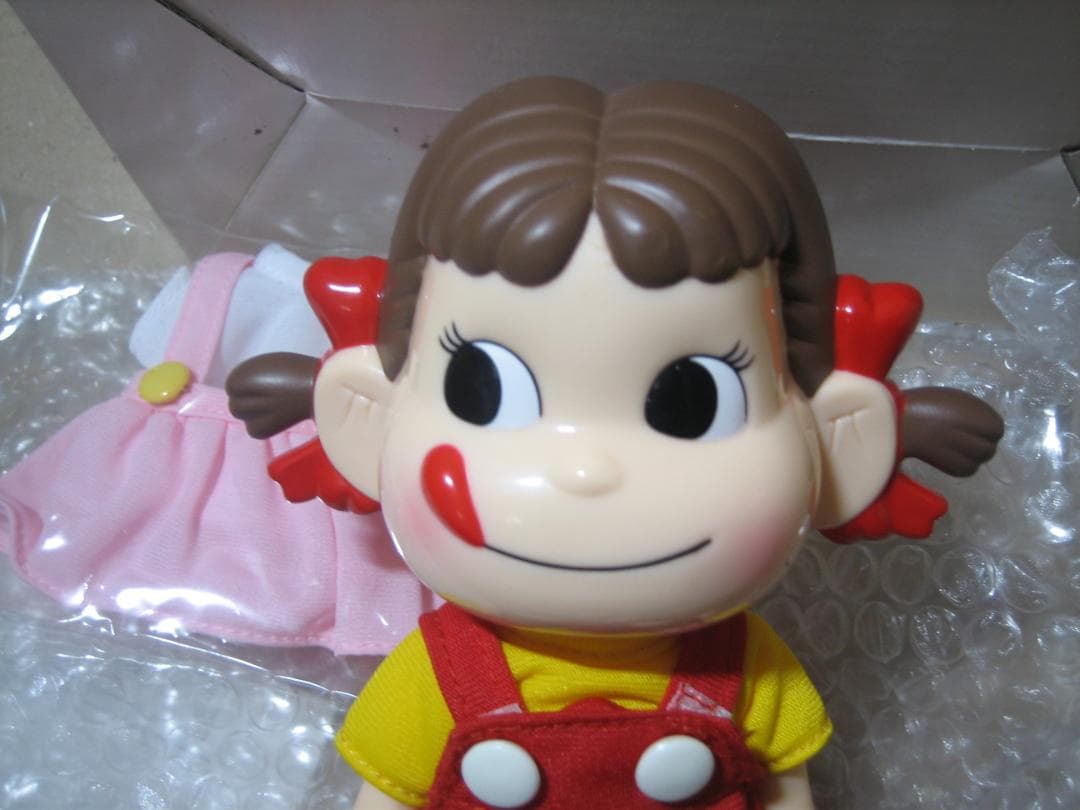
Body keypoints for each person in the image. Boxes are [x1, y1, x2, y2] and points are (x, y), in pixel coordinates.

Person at [230, 77, 1003, 809]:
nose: (586, 469)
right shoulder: (441, 672)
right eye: (481, 388)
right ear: (363, 416)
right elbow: (387, 792)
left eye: (694, 402)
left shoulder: (745, 671)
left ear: (840, 444)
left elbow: (785, 789)